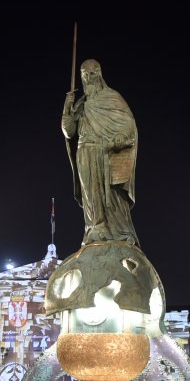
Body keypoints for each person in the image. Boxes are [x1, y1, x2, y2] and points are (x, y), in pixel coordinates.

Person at [61, 58, 140, 246]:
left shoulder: (111, 97)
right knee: (90, 194)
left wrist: (118, 138)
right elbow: (69, 132)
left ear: (99, 74)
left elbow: (129, 125)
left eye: (92, 74)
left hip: (104, 152)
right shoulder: (81, 104)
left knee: (111, 195)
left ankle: (120, 231)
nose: (89, 78)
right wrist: (67, 107)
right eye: (85, 75)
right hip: (84, 152)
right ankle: (95, 229)